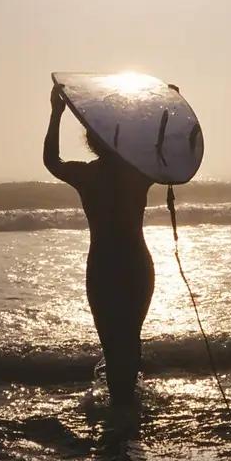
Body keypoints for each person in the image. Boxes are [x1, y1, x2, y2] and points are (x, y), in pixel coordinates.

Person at [45, 85, 155, 405]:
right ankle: (128, 404)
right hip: (135, 264)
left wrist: (56, 112)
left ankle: (120, 410)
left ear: (91, 141)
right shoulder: (139, 173)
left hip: (104, 266)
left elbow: (52, 161)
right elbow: (166, 161)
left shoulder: (86, 176)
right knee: (131, 339)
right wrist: (163, 118)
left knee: (111, 342)